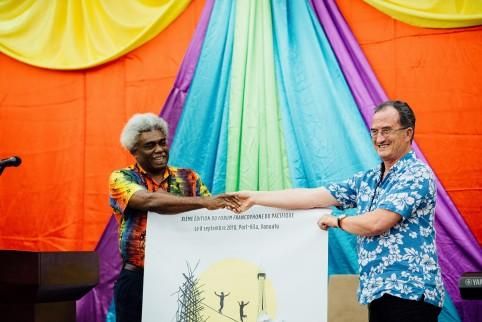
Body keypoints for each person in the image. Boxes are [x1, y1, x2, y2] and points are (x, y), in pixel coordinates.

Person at [235, 101, 444, 322]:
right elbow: (313, 196)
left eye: (386, 131)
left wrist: (337, 221)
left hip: (410, 293)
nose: (379, 138)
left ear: (407, 133)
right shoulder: (369, 179)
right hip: (379, 294)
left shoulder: (416, 174)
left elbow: (377, 222)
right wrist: (255, 197)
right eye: (374, 132)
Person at [109, 113, 240, 322]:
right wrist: (204, 202)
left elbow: (213, 218)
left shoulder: (189, 177)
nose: (159, 150)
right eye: (150, 146)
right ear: (134, 151)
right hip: (137, 279)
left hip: (183, 276)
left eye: (162, 143)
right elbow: (149, 201)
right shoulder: (122, 178)